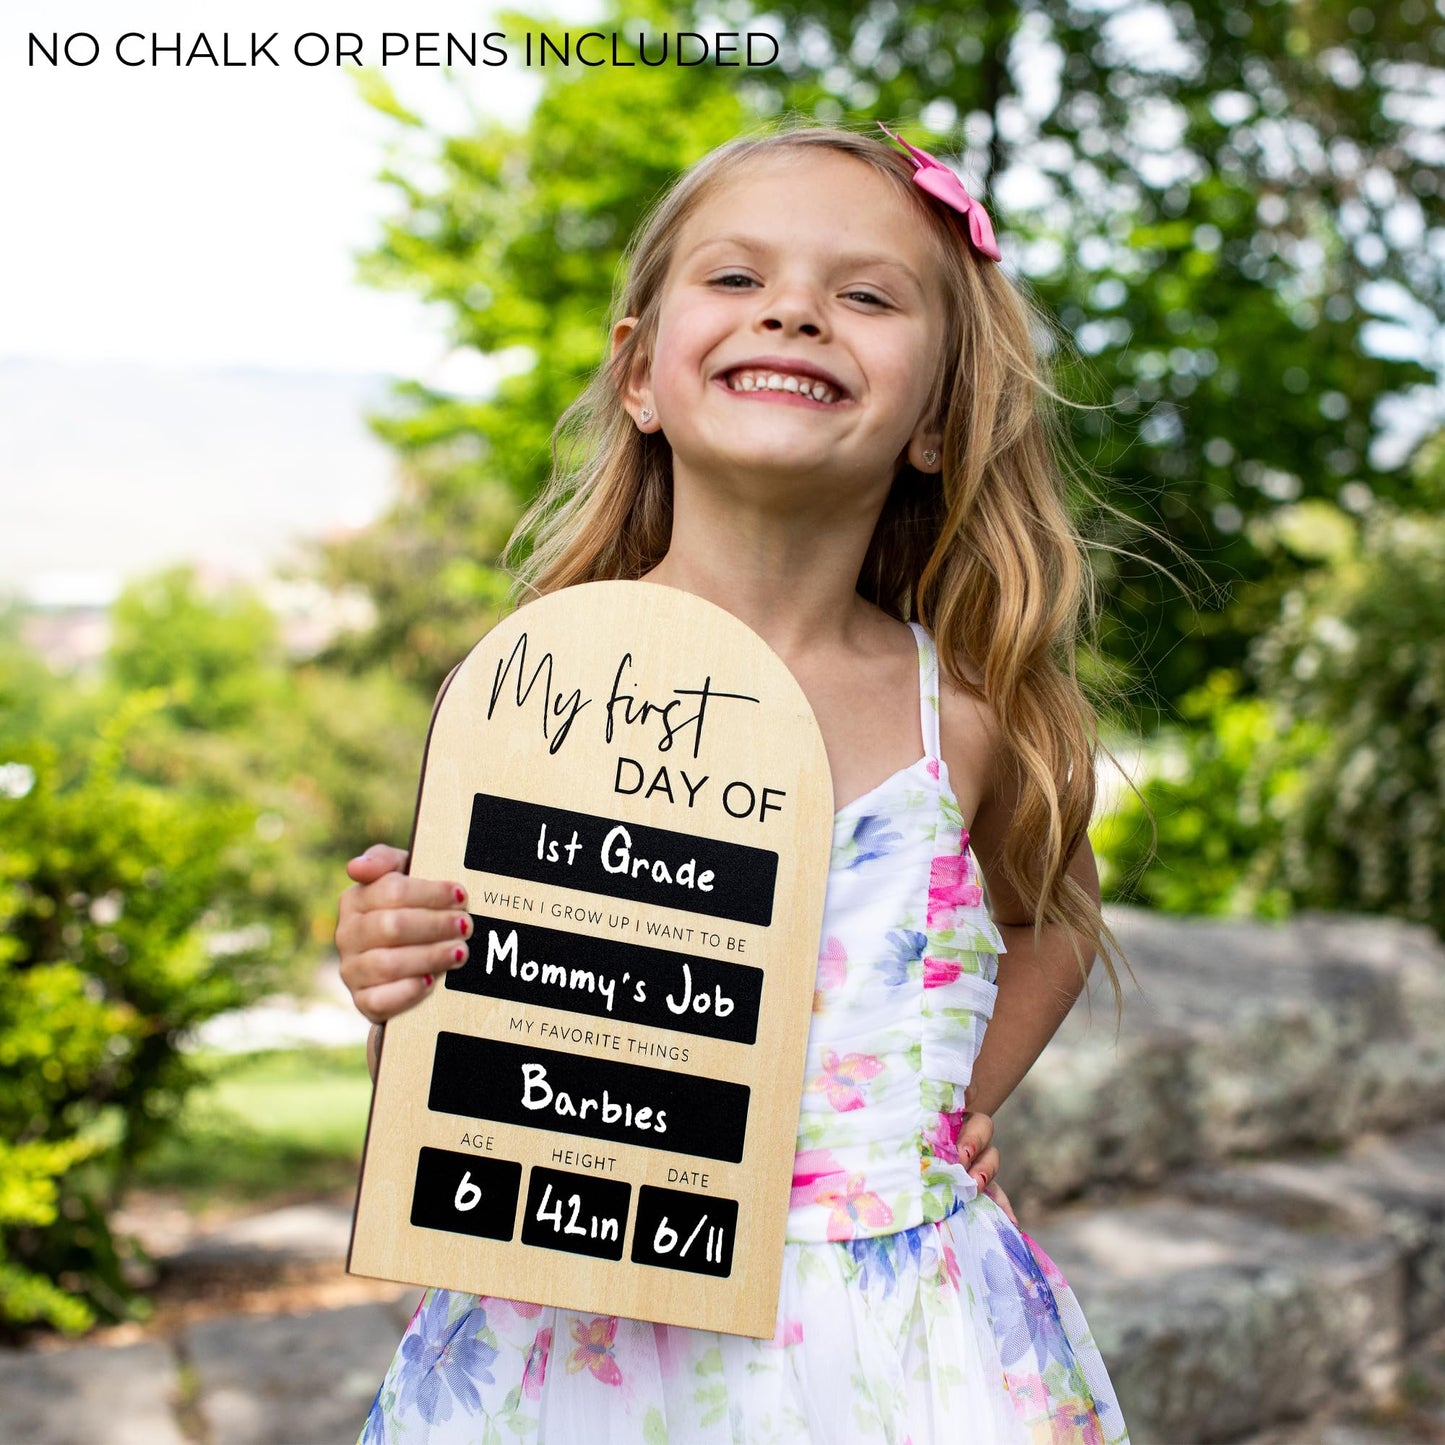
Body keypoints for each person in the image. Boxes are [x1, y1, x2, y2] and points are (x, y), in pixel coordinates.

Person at [338, 120, 1133, 1444]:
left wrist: (952, 1105)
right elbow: (483, 1055)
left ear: (939, 421)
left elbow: (1052, 914)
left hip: (898, 1347)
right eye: (736, 276)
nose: (794, 311)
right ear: (639, 373)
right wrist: (394, 965)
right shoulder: (538, 689)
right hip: (581, 1340)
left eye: (865, 294)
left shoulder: (969, 718)